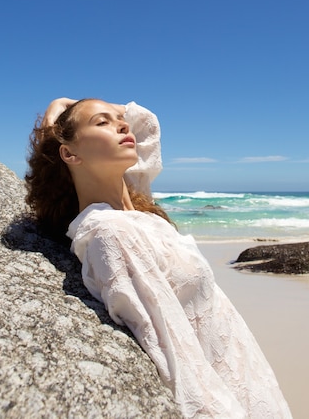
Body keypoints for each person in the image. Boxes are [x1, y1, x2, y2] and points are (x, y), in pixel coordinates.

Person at [25, 97, 292, 419]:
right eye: (102, 122)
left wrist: (56, 114)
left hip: (252, 381)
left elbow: (145, 124)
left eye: (118, 119)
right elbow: (173, 353)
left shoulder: (139, 212)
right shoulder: (111, 235)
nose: (123, 125)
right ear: (69, 154)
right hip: (230, 400)